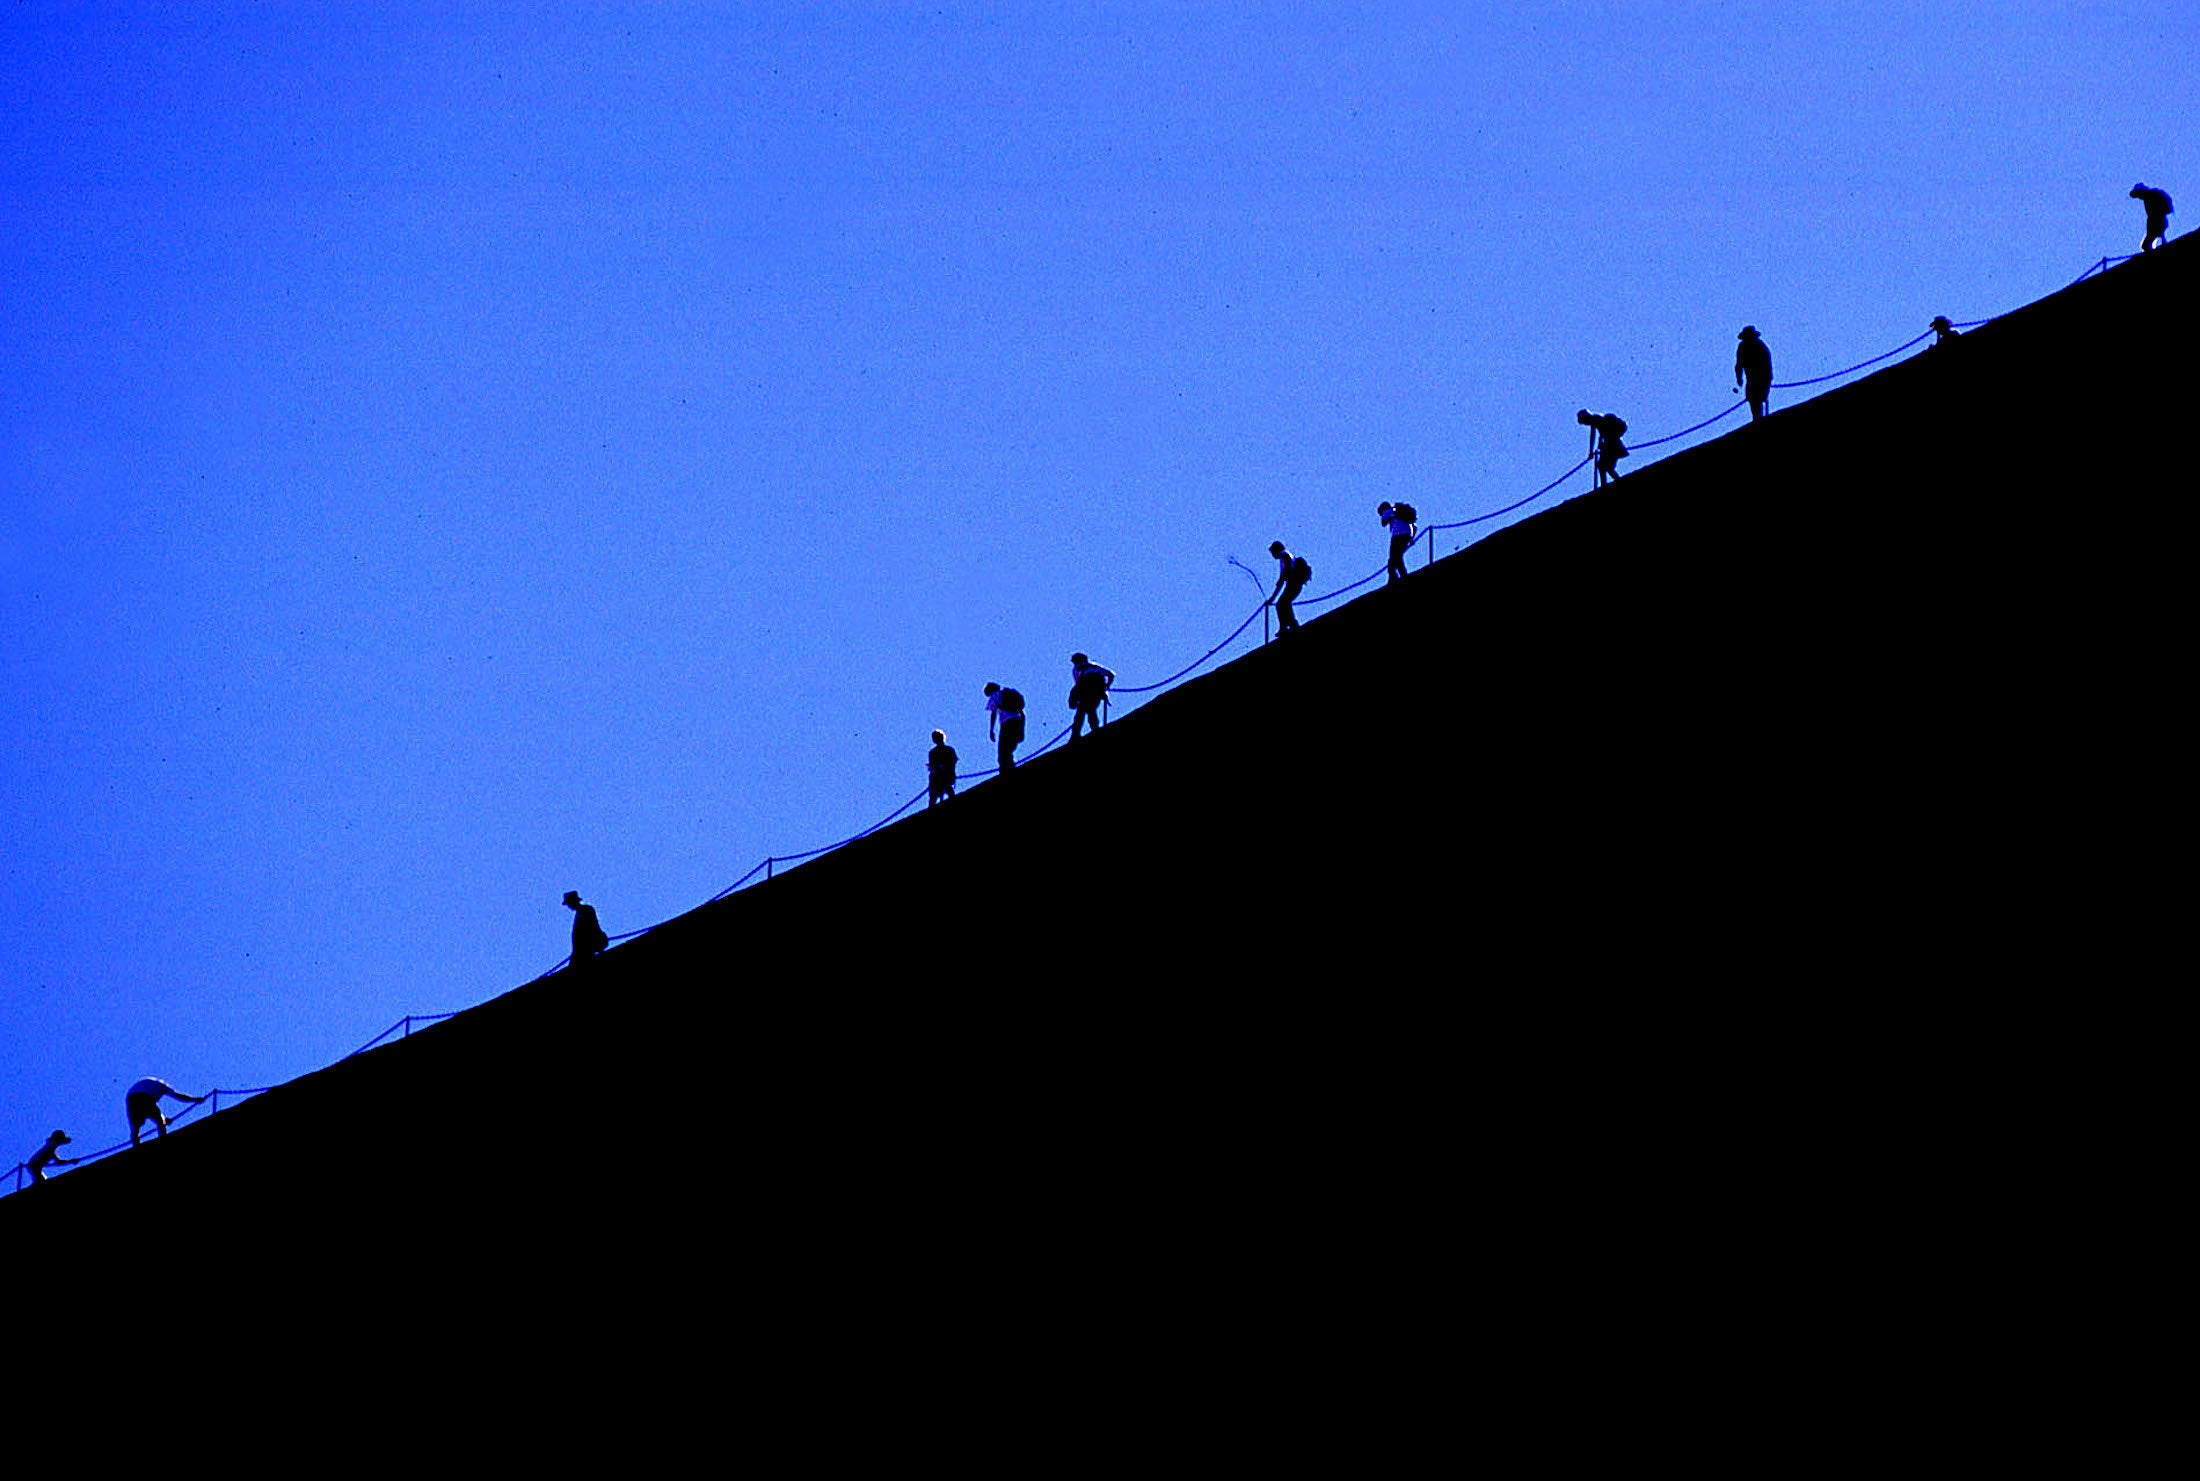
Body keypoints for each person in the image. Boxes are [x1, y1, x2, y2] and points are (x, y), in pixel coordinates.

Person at [126, 1077, 207, 1146]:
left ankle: (136, 1144)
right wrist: (195, 1099)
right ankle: (163, 1139)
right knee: (160, 1121)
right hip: (143, 1096)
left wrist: (164, 1118)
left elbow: (149, 1110)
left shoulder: (152, 1083)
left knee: (136, 1126)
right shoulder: (163, 1086)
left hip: (131, 1098)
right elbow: (179, 1096)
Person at [1068, 653, 1116, 742]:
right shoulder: (1093, 666)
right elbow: (1111, 674)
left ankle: (1076, 734)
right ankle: (1094, 729)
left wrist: (1075, 699)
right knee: (1090, 709)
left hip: (1087, 686)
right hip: (1098, 689)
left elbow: (1078, 684)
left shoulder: (1077, 668)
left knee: (1082, 711)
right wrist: (1106, 686)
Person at [1577, 410, 1629, 487]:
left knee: (1602, 466)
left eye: (1584, 422)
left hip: (1612, 445)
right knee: (1606, 467)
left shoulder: (1595, 419)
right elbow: (1598, 435)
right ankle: (1614, 483)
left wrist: (1592, 451)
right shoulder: (1596, 419)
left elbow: (1594, 436)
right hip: (1611, 445)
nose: (1585, 424)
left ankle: (1605, 486)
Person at [1268, 541, 1309, 634]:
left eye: (1272, 552)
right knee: (1284, 603)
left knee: (1282, 603)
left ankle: (1288, 625)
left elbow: (1285, 571)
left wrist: (1280, 581)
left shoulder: (1284, 555)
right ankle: (1288, 625)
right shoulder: (1287, 555)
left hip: (1293, 584)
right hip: (1295, 584)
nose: (1272, 555)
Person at [984, 682, 1026, 772]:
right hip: (1017, 722)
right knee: (1009, 749)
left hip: (1007, 724)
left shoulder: (995, 695)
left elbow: (993, 713)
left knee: (1003, 752)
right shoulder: (1006, 694)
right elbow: (1021, 713)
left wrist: (991, 730)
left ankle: (1007, 770)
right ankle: (1010, 767)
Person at [1735, 326, 1773, 422]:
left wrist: (1767, 384)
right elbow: (1739, 364)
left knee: (1758, 399)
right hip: (1751, 380)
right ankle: (1756, 419)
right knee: (1753, 400)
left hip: (1762, 378)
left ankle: (1758, 419)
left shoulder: (1760, 346)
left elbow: (1767, 366)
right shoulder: (1742, 347)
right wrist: (1739, 378)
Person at [564, 890, 608, 968]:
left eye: (569, 904)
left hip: (587, 947)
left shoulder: (586, 910)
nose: (569, 906)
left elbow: (591, 928)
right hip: (583, 949)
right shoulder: (581, 912)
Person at [1377, 501, 1417, 584]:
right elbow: (1414, 526)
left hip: (1397, 535)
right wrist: (1411, 538)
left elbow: (1383, 523)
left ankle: (1398, 577)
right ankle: (1395, 577)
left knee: (1394, 557)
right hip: (1406, 535)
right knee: (1397, 557)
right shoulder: (1399, 511)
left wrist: (1385, 517)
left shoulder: (1387, 511)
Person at [2131, 183, 2173, 252]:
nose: (2139, 197)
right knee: (2158, 237)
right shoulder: (2149, 197)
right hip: (2160, 221)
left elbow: (2154, 214)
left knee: (2146, 245)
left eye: (2138, 194)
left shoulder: (2150, 197)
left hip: (2157, 221)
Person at [927, 729, 958, 807]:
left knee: (948, 791)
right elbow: (932, 766)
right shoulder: (932, 753)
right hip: (936, 778)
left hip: (946, 776)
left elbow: (952, 762)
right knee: (933, 796)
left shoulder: (949, 750)